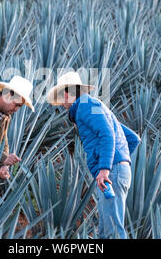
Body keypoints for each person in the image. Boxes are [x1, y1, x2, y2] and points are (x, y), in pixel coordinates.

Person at [47, 71, 141, 239]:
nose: (61, 104)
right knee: (106, 231)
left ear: (67, 94)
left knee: (112, 231)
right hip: (116, 171)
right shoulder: (96, 106)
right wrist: (121, 162)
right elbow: (133, 139)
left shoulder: (86, 105)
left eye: (61, 98)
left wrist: (106, 167)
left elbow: (106, 134)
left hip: (110, 172)